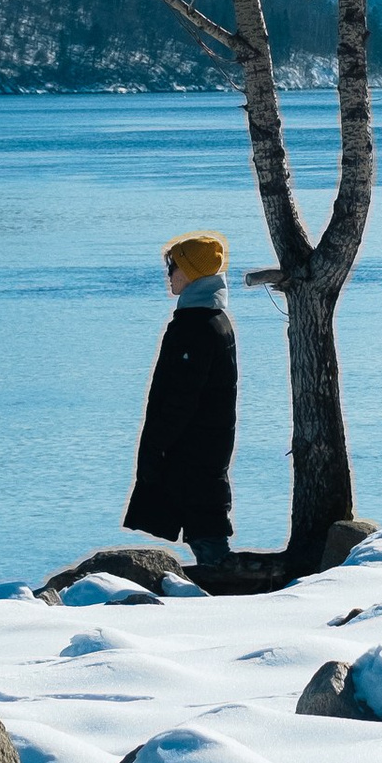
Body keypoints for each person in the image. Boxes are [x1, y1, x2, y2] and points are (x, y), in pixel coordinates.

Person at [124, 231, 237, 572]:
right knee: (203, 518)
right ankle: (216, 575)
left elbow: (181, 396)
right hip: (202, 444)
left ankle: (220, 583)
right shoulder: (209, 319)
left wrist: (158, 443)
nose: (168, 274)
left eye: (173, 266)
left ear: (190, 274)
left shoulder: (198, 326)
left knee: (205, 525)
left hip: (195, 446)